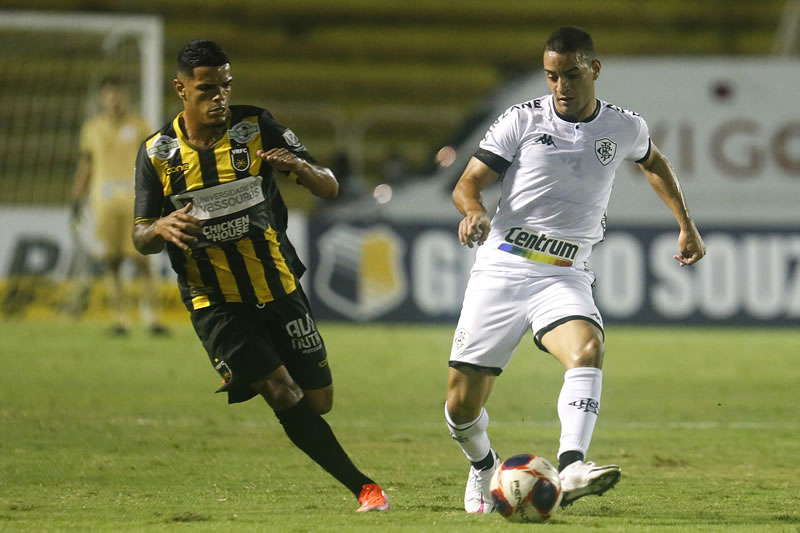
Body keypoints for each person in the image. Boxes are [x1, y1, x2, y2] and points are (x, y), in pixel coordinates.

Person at [445, 27, 706, 513]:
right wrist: (473, 210)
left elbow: (653, 162)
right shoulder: (522, 120)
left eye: (569, 74)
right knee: (461, 408)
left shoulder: (624, 127)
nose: (560, 86)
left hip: (563, 273)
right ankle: (483, 466)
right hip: (502, 268)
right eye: (550, 76)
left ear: (594, 69)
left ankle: (571, 467)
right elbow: (467, 182)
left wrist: (686, 225)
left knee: (587, 348)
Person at [131, 40, 389, 512]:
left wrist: (300, 167)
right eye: (207, 89)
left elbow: (329, 186)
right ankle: (365, 487)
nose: (220, 97)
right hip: (213, 299)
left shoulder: (255, 126)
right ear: (180, 90)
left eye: (225, 86)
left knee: (319, 400)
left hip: (276, 282)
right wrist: (160, 227)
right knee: (280, 389)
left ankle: (253, 372)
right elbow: (140, 234)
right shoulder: (157, 154)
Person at [72, 75, 168, 336]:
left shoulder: (140, 125)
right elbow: (87, 165)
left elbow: (154, 162)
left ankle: (152, 318)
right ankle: (121, 319)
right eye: (110, 93)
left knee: (143, 260)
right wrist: (76, 196)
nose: (114, 98)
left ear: (126, 96)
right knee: (112, 261)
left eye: (119, 93)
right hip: (103, 204)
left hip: (137, 202)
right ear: (103, 97)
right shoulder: (92, 128)